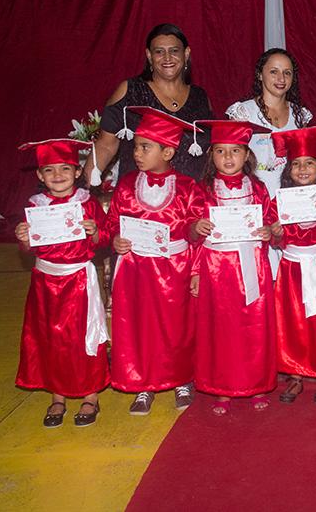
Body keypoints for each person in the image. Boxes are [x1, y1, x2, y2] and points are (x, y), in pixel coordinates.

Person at [104, 107, 205, 415]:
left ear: (168, 150)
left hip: (174, 268)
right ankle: (144, 383)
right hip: (136, 269)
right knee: (140, 326)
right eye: (135, 146)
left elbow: (197, 228)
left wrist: (196, 263)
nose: (137, 153)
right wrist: (115, 240)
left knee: (177, 327)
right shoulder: (126, 186)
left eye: (145, 147)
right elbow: (112, 224)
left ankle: (181, 379)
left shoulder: (188, 188)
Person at [14, 139, 110, 428]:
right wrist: (24, 237)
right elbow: (30, 249)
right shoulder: (35, 206)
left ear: (77, 171)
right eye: (50, 170)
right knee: (50, 340)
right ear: (40, 176)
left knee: (84, 338)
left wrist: (94, 231)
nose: (58, 175)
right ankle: (57, 396)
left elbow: (105, 239)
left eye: (65, 169)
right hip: (45, 283)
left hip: (79, 281)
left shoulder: (88, 203)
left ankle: (90, 395)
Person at [190, 121, 278, 415]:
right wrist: (196, 228)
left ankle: (254, 384)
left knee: (253, 327)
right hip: (217, 268)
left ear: (246, 155)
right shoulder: (202, 190)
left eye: (235, 151)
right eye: (220, 151)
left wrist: (267, 232)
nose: (228, 158)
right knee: (221, 329)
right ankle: (223, 387)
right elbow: (190, 234)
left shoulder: (258, 188)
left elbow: (268, 222)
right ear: (211, 155)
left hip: (252, 264)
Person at [87, 23, 214, 185]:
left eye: (174, 51)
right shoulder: (130, 90)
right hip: (137, 200)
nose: (167, 58)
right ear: (149, 56)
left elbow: (212, 152)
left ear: (186, 53)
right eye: (159, 51)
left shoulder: (200, 97)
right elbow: (105, 146)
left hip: (189, 201)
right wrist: (83, 194)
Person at [269, 125, 316, 404]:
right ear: (288, 170)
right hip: (291, 268)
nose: (302, 169)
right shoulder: (280, 202)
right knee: (292, 321)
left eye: (309, 163)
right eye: (296, 164)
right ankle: (296, 374)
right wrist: (276, 233)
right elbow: (277, 241)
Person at [225, 48, 316, 197]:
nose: (281, 79)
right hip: (254, 197)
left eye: (287, 73)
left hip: (292, 197)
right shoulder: (243, 112)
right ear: (260, 75)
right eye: (274, 72)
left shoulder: (301, 115)